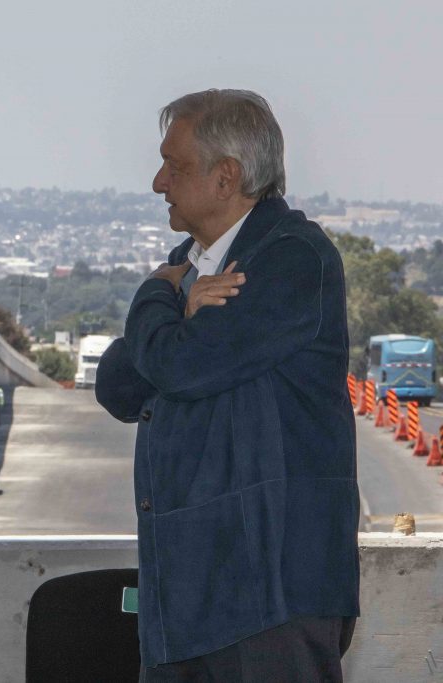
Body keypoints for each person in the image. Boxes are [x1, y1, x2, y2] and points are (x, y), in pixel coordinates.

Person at [94, 89, 358, 682]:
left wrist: (157, 297)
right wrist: (177, 305)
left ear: (226, 177)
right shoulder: (191, 266)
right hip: (190, 595)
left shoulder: (289, 260)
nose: (159, 182)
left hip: (270, 597)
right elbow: (116, 386)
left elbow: (181, 368)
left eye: (175, 166)